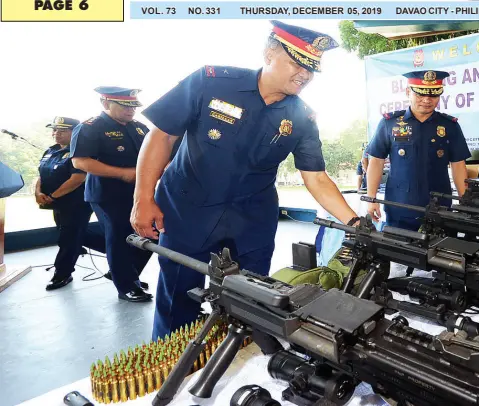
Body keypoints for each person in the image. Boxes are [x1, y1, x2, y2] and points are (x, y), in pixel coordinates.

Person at [131, 20, 362, 340]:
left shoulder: (303, 118)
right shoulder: (210, 82)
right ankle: (172, 368)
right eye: (296, 63)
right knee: (179, 294)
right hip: (188, 208)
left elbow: (317, 178)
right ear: (269, 54)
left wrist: (355, 222)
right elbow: (161, 136)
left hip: (252, 218)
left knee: (251, 298)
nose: (304, 75)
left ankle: (235, 359)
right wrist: (143, 198)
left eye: (311, 68)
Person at [70, 87, 153, 302]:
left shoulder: (140, 129)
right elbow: (80, 161)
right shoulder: (90, 127)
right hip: (107, 194)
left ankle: (123, 274)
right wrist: (123, 174)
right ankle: (126, 286)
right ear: (105, 104)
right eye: (125, 106)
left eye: (133, 106)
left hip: (139, 192)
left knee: (150, 235)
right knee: (120, 238)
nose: (130, 110)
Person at [365, 70, 471, 231]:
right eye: (420, 94)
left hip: (440, 208)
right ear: (408, 92)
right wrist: (371, 198)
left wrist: (465, 201)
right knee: (400, 254)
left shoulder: (450, 126)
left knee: (441, 254)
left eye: (433, 95)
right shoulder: (390, 123)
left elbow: (458, 165)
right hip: (399, 207)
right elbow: (376, 161)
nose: (427, 100)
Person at [36, 116, 106, 290]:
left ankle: (62, 274)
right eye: (54, 130)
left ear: (74, 132)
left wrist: (52, 196)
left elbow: (78, 178)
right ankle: (119, 252)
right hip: (56, 203)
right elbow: (40, 174)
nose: (56, 134)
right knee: (74, 235)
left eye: (62, 130)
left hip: (75, 203)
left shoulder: (80, 152)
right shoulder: (51, 150)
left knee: (68, 239)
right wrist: (38, 192)